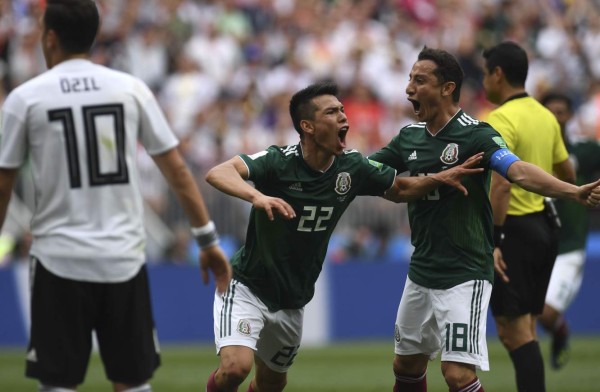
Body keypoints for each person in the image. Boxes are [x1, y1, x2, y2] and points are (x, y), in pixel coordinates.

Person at [0, 1, 232, 391]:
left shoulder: (25, 99)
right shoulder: (130, 88)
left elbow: (4, 184)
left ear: (50, 37)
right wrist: (207, 239)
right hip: (122, 258)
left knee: (57, 384)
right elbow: (176, 169)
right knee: (133, 382)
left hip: (59, 260)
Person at [204, 81, 487, 392]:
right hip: (247, 286)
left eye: (342, 110)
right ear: (307, 126)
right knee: (235, 368)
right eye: (331, 112)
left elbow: (400, 190)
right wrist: (256, 197)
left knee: (271, 383)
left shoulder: (352, 167)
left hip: (292, 299)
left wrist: (439, 179)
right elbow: (219, 172)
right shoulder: (279, 161)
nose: (343, 117)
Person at [367, 46, 600, 392]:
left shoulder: (477, 134)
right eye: (409, 79)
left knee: (458, 374)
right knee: (406, 363)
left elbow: (517, 171)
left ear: (447, 88)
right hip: (422, 270)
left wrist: (572, 191)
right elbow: (369, 172)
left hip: (465, 272)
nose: (408, 89)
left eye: (420, 80)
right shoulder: (408, 138)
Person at [481, 41, 577, 391]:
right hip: (543, 228)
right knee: (529, 328)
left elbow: (502, 184)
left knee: (513, 333)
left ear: (498, 74)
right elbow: (566, 171)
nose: (483, 83)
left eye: (484, 75)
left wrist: (494, 240)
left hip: (513, 231)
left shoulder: (501, 119)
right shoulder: (545, 115)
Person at [538, 92, 600, 370]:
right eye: (549, 111)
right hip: (538, 241)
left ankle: (560, 330)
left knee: (546, 314)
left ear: (569, 116)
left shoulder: (584, 150)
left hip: (569, 245)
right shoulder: (532, 153)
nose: (555, 117)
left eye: (561, 111)